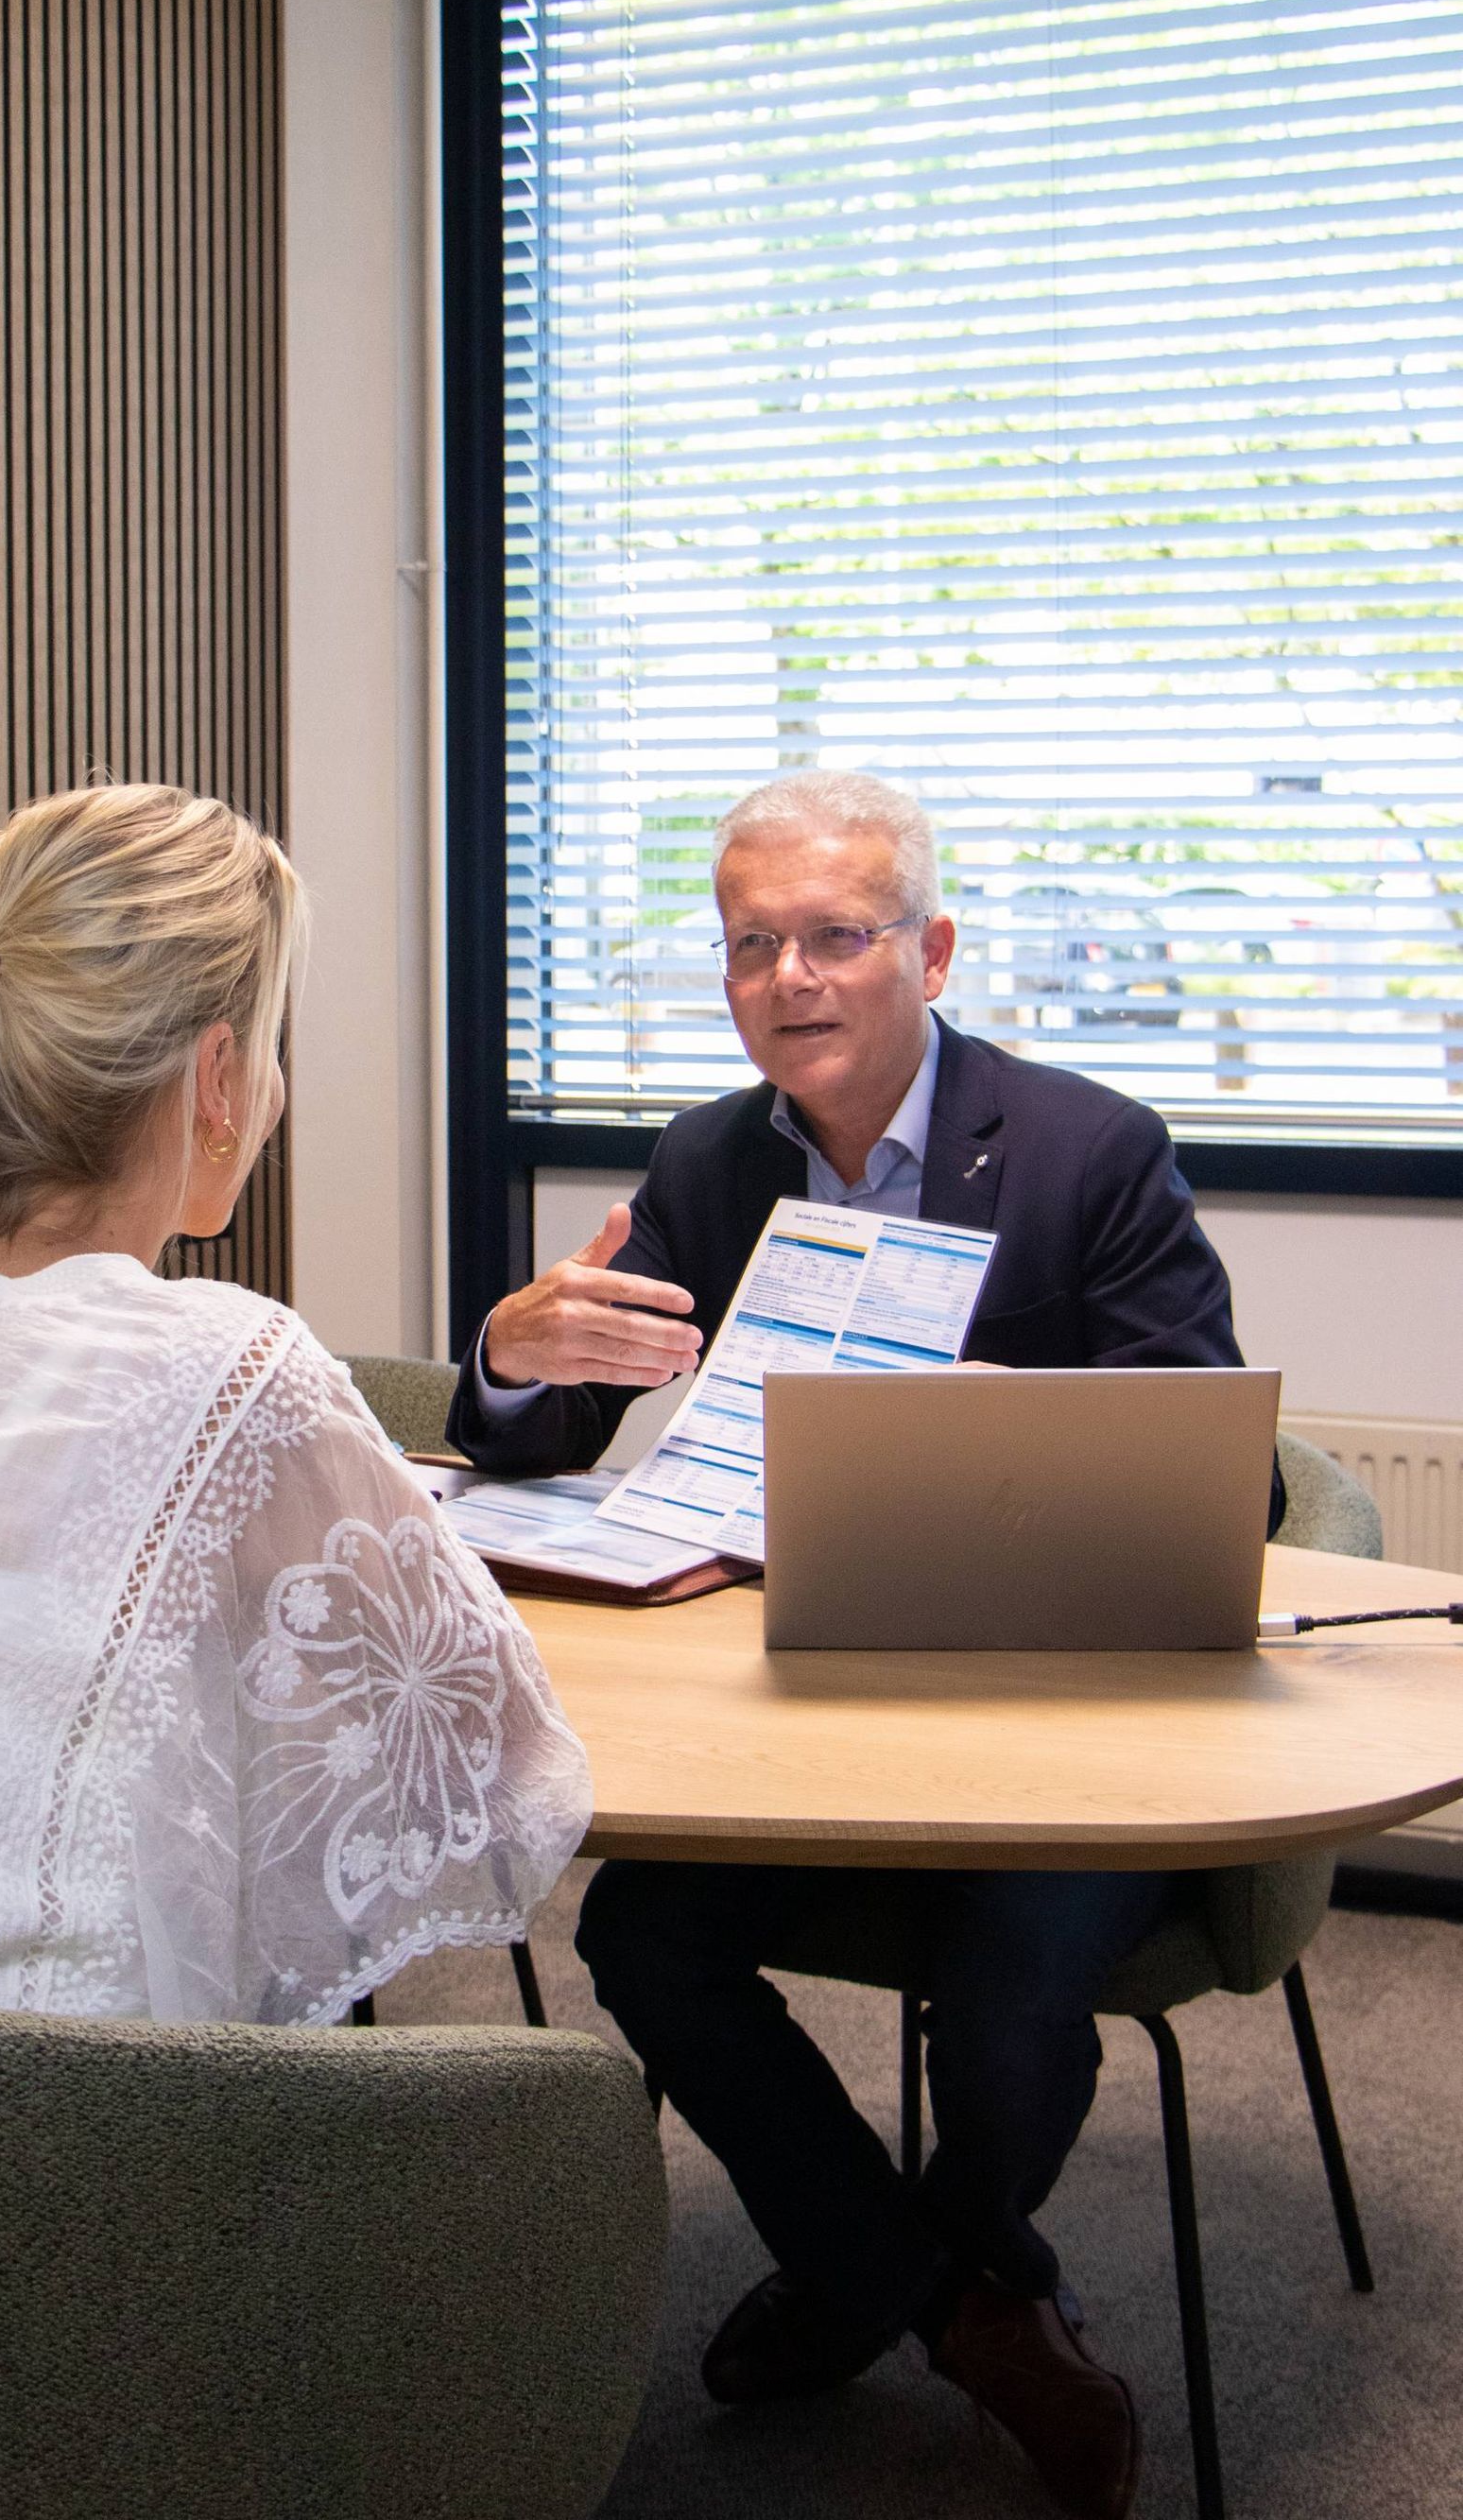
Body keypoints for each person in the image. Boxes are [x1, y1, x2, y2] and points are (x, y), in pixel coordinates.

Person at [450, 769, 1282, 2520]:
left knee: (1006, 1987)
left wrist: (992, 1434)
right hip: (799, 1695)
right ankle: (961, 2304)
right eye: (754, 946)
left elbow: (1226, 1468)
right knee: (643, 1935)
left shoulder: (1084, 1147)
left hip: (1057, 1712)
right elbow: (537, 1435)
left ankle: (874, 2275)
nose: (792, 980)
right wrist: (520, 1350)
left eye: (837, 936)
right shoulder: (707, 1157)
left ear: (935, 950)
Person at [0, 783, 589, 2027]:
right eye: (276, 1045)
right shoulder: (223, 1369)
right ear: (219, 1078)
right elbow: (501, 1777)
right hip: (75, 2138)